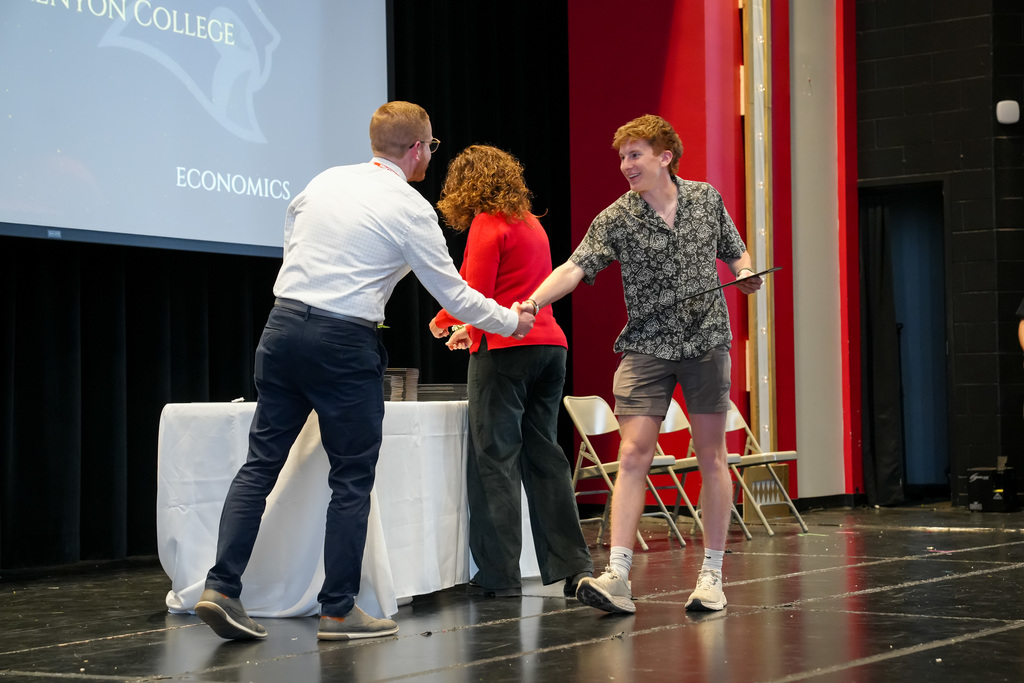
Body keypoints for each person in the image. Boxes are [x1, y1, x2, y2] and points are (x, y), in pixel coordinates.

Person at [194, 102, 536, 642]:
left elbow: (293, 239)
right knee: (350, 480)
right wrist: (512, 322)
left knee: (259, 466)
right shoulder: (410, 208)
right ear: (417, 148)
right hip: (342, 342)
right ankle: (337, 611)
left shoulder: (325, 181)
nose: (431, 155)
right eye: (431, 147)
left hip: (282, 327)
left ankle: (220, 588)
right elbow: (454, 295)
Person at [523, 114, 762, 614]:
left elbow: (736, 253)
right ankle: (617, 575)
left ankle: (712, 577)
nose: (625, 165)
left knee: (712, 455)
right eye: (622, 157)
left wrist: (744, 274)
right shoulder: (617, 217)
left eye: (635, 155)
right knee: (633, 454)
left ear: (664, 156)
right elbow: (574, 267)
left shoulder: (705, 199)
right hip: (647, 345)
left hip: (706, 342)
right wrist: (532, 303)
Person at [427, 145, 594, 599]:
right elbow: (514, 291)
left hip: (506, 353)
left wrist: (444, 321)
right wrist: (470, 329)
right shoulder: (532, 223)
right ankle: (573, 566)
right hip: (549, 347)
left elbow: (474, 291)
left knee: (494, 461)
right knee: (545, 458)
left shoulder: (487, 222)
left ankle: (498, 575)